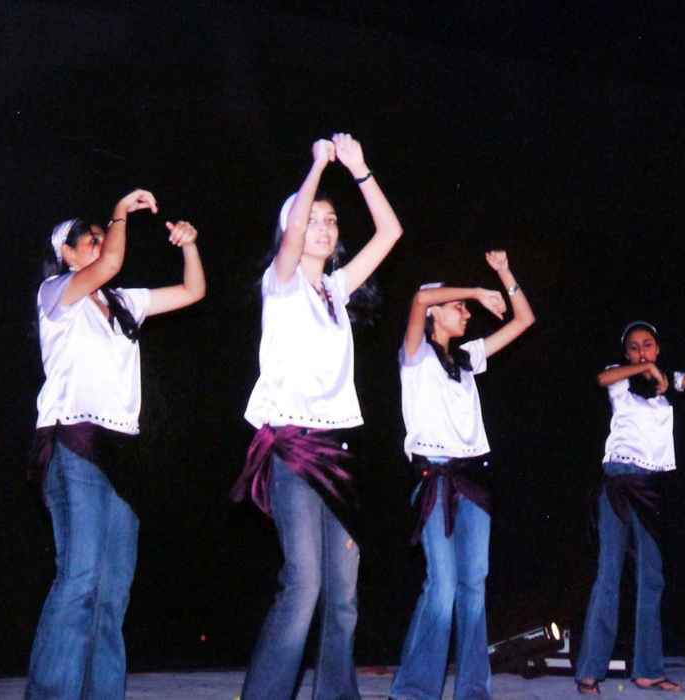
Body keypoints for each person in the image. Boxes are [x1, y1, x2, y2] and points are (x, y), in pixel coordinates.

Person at [232, 133, 403, 700]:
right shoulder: (280, 283)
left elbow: (391, 233)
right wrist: (315, 169)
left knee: (343, 595)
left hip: (337, 451)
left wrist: (360, 169)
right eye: (313, 221)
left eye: (331, 222)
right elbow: (291, 234)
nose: (325, 229)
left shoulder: (335, 288)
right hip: (292, 446)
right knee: (303, 584)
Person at [26, 189, 206, 699]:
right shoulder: (56, 294)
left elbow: (193, 291)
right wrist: (121, 213)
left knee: (112, 592)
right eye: (90, 239)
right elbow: (109, 264)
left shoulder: (124, 303)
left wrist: (190, 246)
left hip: (123, 452)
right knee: (80, 579)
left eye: (102, 236)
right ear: (66, 253)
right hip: (75, 440)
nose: (101, 243)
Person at [389, 251, 536, 700]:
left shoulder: (468, 358)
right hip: (435, 477)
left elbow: (524, 320)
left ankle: (473, 690)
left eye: (466, 307)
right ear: (436, 311)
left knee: (473, 585)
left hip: (473, 480)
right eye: (457, 307)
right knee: (443, 585)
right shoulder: (414, 355)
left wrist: (505, 273)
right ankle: (415, 691)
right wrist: (473, 290)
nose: (467, 313)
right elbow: (418, 299)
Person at [574, 320, 685, 695]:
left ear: (658, 348)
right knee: (609, 575)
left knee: (652, 577)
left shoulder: (667, 383)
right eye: (634, 347)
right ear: (626, 354)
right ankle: (589, 671)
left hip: (651, 488)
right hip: (618, 482)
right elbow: (601, 379)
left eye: (648, 345)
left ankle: (647, 670)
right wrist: (644, 369)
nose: (641, 351)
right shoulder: (620, 378)